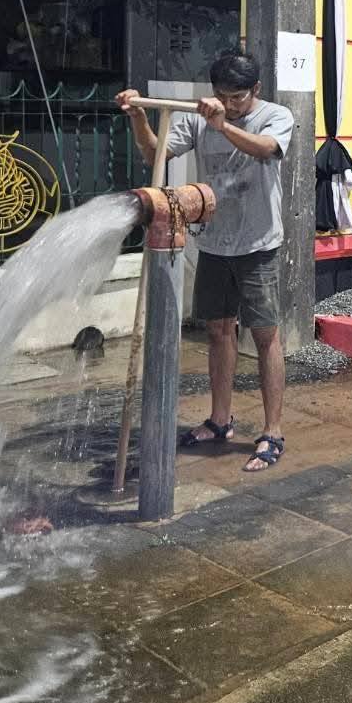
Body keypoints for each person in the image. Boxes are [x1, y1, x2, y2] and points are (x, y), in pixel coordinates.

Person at [116, 51, 295, 473]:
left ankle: (272, 431)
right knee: (218, 331)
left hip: (258, 245)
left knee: (265, 336)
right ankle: (219, 419)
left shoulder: (275, 116)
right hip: (215, 243)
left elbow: (266, 150)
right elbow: (155, 153)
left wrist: (224, 125)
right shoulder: (198, 118)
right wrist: (137, 116)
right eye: (222, 96)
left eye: (237, 98)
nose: (228, 104)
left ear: (256, 90)